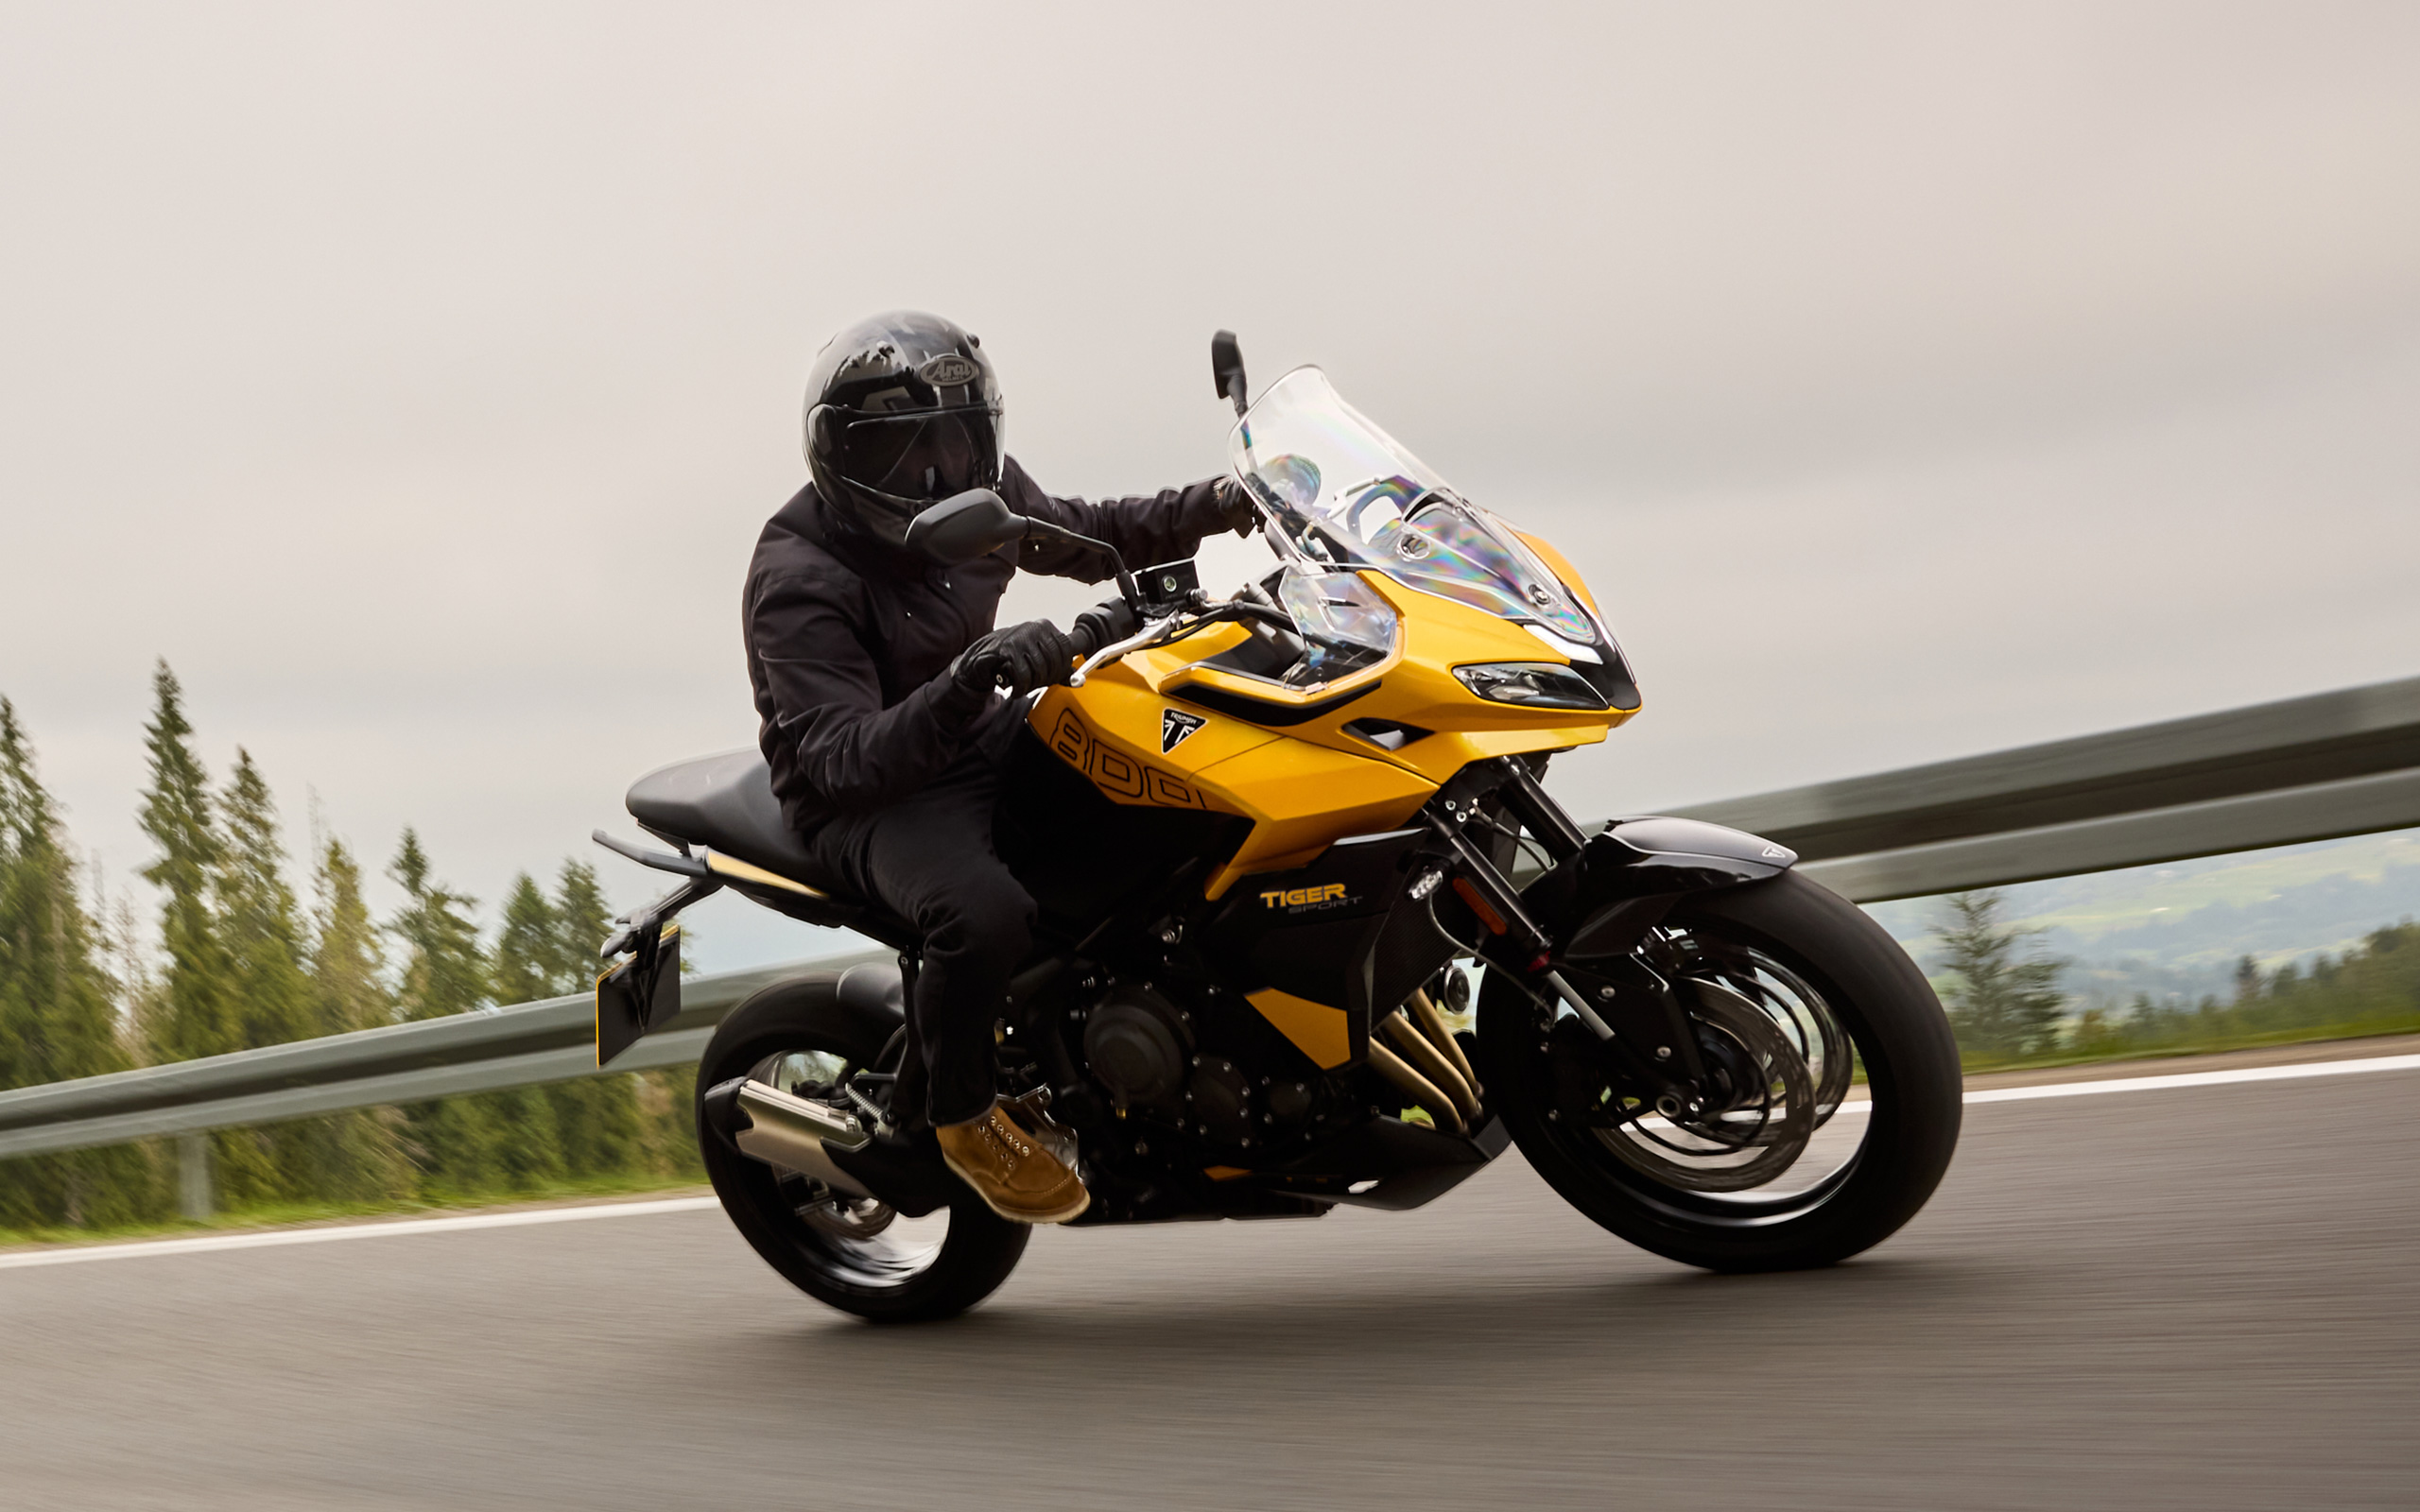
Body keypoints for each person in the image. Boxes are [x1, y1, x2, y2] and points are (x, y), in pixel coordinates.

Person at [743, 310, 1253, 1224]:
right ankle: (962, 1117)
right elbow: (846, 762)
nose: (940, 472)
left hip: (971, 725)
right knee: (984, 914)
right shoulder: (800, 579)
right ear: (846, 458)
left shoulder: (978, 498)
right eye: (908, 450)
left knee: (1168, 783)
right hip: (865, 794)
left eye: (958, 440)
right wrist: (968, 677)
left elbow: (1092, 532)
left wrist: (1224, 502)